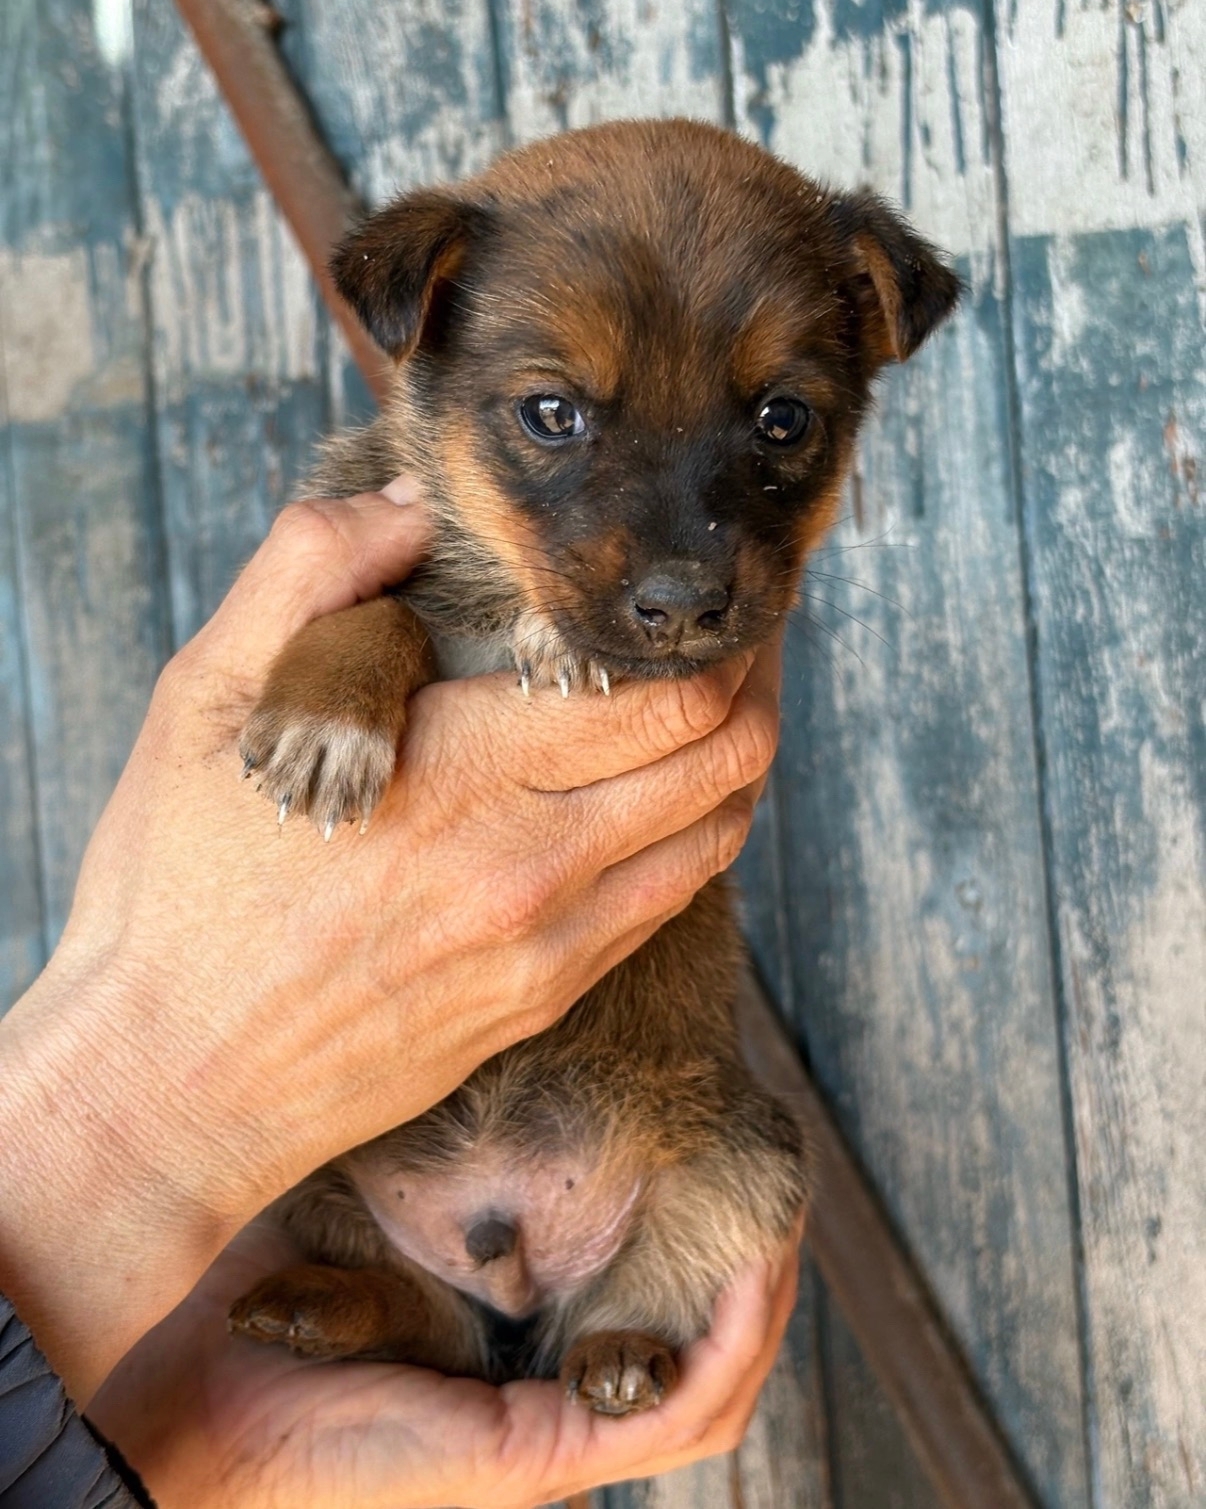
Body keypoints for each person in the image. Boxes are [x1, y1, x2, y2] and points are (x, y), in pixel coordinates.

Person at [0, 479, 799, 1508]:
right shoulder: (423, 527)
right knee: (317, 1206)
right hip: (390, 1198)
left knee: (744, 1176)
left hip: (631, 1176)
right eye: (552, 413)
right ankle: (399, 1298)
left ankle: (561, 1314)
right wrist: (146, 1085)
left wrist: (222, 1456)